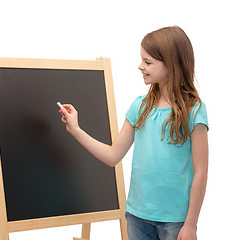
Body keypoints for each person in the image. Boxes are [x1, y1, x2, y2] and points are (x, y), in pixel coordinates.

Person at [58, 26, 209, 240]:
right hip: (137, 217)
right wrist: (76, 130)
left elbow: (201, 172)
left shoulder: (194, 111)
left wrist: (191, 224)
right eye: (142, 60)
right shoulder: (140, 107)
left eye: (148, 62)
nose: (140, 66)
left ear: (171, 64)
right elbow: (112, 156)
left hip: (176, 221)